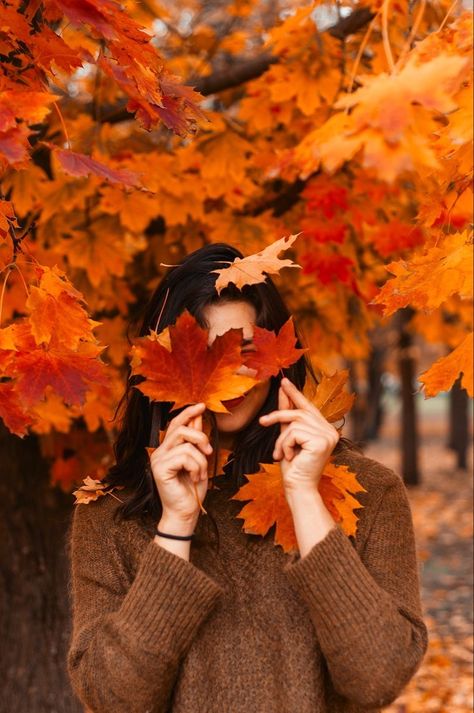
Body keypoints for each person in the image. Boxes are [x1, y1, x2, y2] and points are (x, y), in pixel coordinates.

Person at [67, 242, 428, 713]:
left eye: (249, 351)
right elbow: (113, 699)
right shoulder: (111, 513)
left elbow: (377, 677)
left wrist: (303, 497)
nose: (234, 373)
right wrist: (175, 525)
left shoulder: (369, 493)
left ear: (280, 358)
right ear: (163, 366)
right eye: (208, 355)